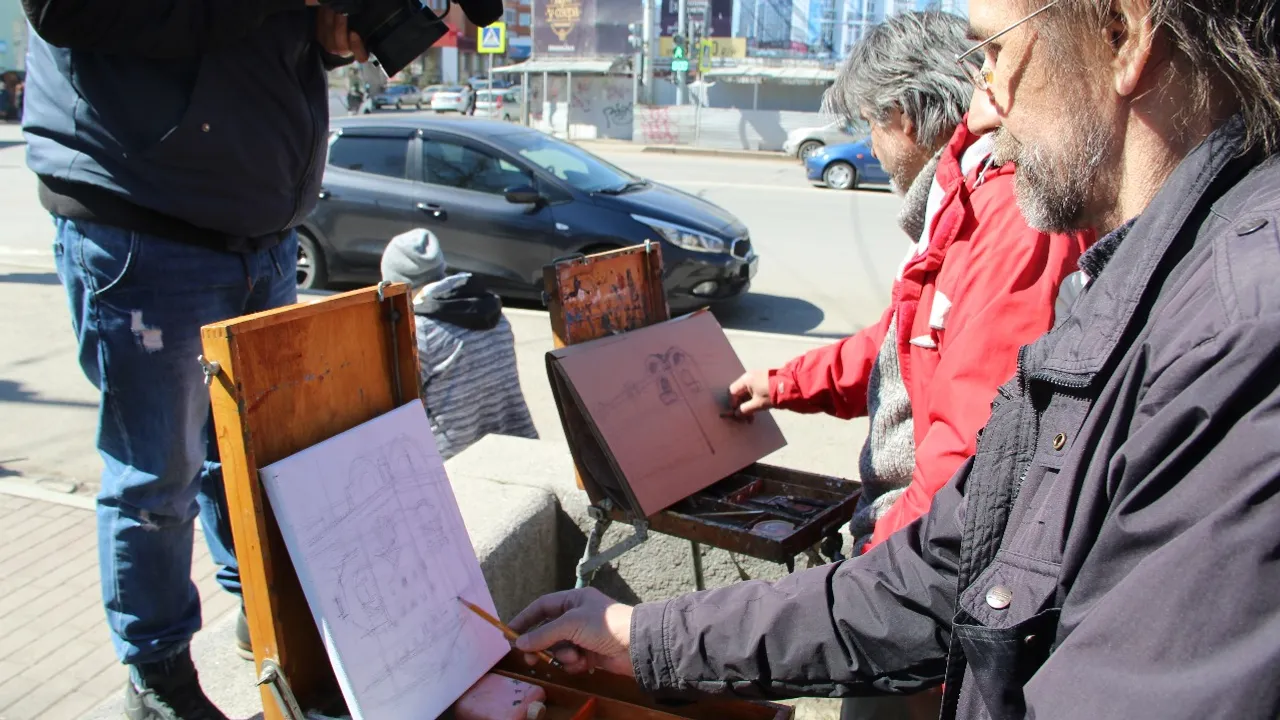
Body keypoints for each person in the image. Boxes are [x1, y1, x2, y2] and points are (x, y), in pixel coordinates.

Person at [509, 1, 1280, 717]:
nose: (983, 104)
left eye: (996, 52)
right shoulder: (1156, 279)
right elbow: (949, 559)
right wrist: (645, 636)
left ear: (1123, 35)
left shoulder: (1236, 332)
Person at [22, 1, 367, 718]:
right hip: (143, 219)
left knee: (249, 453)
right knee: (157, 476)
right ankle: (158, 677)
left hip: (262, 228)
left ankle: (261, 614)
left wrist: (330, 35)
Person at [727, 12, 1091, 574]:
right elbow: (903, 339)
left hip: (920, 562)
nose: (870, 147)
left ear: (903, 118)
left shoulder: (1009, 209)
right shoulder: (965, 192)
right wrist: (782, 383)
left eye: (869, 124)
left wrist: (873, 571)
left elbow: (970, 459)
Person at [380, 229, 538, 460]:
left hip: (460, 463)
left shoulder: (421, 331)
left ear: (396, 284)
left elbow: (396, 409)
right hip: (517, 446)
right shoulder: (491, 309)